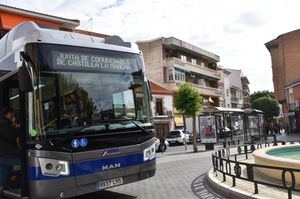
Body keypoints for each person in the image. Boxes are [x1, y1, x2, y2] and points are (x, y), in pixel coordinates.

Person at [0, 107, 20, 198]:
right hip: (8, 154)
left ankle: (4, 190)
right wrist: (18, 129)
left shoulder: (5, 123)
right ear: (9, 113)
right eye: (13, 114)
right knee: (26, 162)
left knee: (4, 173)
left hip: (4, 153)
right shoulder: (4, 124)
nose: (13, 116)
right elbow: (11, 136)